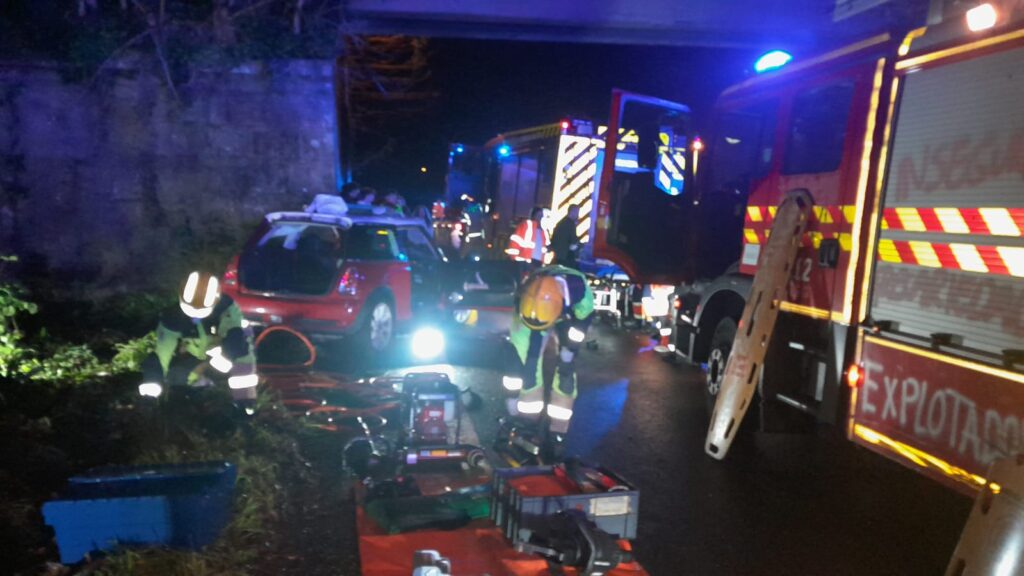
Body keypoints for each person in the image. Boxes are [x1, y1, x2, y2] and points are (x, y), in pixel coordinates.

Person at [503, 265, 594, 457]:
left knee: (566, 371)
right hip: (534, 313)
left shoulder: (578, 292)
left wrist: (570, 349)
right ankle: (527, 424)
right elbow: (515, 366)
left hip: (567, 315)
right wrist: (512, 401)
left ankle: (558, 433)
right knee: (529, 364)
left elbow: (583, 321)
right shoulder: (524, 299)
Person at [140, 271, 258, 408]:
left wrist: (245, 399)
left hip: (225, 354)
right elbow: (162, 353)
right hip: (198, 354)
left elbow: (236, 342)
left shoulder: (227, 309)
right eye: (190, 309)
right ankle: (195, 389)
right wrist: (151, 387)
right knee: (176, 376)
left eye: (201, 311)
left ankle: (244, 401)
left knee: (239, 352)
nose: (195, 315)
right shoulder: (172, 317)